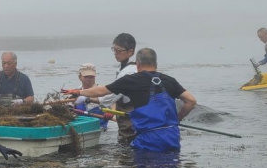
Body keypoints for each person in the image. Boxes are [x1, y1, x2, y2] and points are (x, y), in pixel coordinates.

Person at [64, 48, 196, 152]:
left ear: (137, 64)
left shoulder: (131, 80)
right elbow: (191, 101)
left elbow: (102, 91)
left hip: (149, 140)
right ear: (156, 64)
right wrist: (178, 118)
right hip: (172, 136)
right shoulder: (170, 80)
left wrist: (78, 92)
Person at [99, 33, 138, 144]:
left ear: (131, 52)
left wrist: (88, 98)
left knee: (128, 142)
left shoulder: (130, 71)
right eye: (114, 50)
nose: (116, 54)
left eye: (119, 51)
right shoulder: (121, 68)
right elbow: (117, 96)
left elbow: (112, 96)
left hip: (131, 116)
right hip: (124, 116)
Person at [63, 64, 109, 130]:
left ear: (95, 77)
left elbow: (112, 103)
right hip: (80, 127)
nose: (88, 79)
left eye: (91, 77)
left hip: (99, 127)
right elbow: (68, 108)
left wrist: (110, 112)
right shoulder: (75, 91)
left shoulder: (103, 90)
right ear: (79, 77)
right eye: (86, 76)